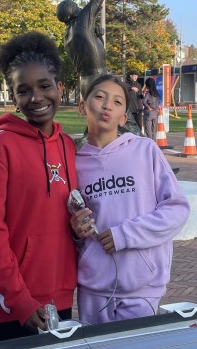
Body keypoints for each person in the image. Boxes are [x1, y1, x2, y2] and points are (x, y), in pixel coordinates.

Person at [0, 32, 78, 341]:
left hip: (61, 293)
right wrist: (18, 300)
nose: (37, 97)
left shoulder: (68, 145)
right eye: (24, 90)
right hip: (15, 302)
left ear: (60, 88)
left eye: (44, 86)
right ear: (14, 98)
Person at [70, 74, 190, 325]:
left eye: (117, 102)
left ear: (124, 117)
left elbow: (177, 210)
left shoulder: (145, 150)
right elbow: (72, 224)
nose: (107, 106)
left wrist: (124, 235)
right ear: (83, 106)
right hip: (94, 288)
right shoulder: (74, 163)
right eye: (100, 97)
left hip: (142, 287)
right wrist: (75, 231)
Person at [57, 0, 137, 98]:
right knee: (120, 117)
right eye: (78, 8)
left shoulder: (68, 35)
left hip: (87, 82)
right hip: (99, 79)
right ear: (74, 13)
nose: (82, 9)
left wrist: (97, 38)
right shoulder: (81, 20)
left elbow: (92, 53)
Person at [142, 76, 160, 142]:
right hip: (155, 113)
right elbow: (158, 103)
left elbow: (143, 101)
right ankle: (154, 144)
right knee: (154, 131)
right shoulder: (156, 94)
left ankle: (150, 145)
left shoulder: (148, 94)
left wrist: (148, 107)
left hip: (148, 113)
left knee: (148, 132)